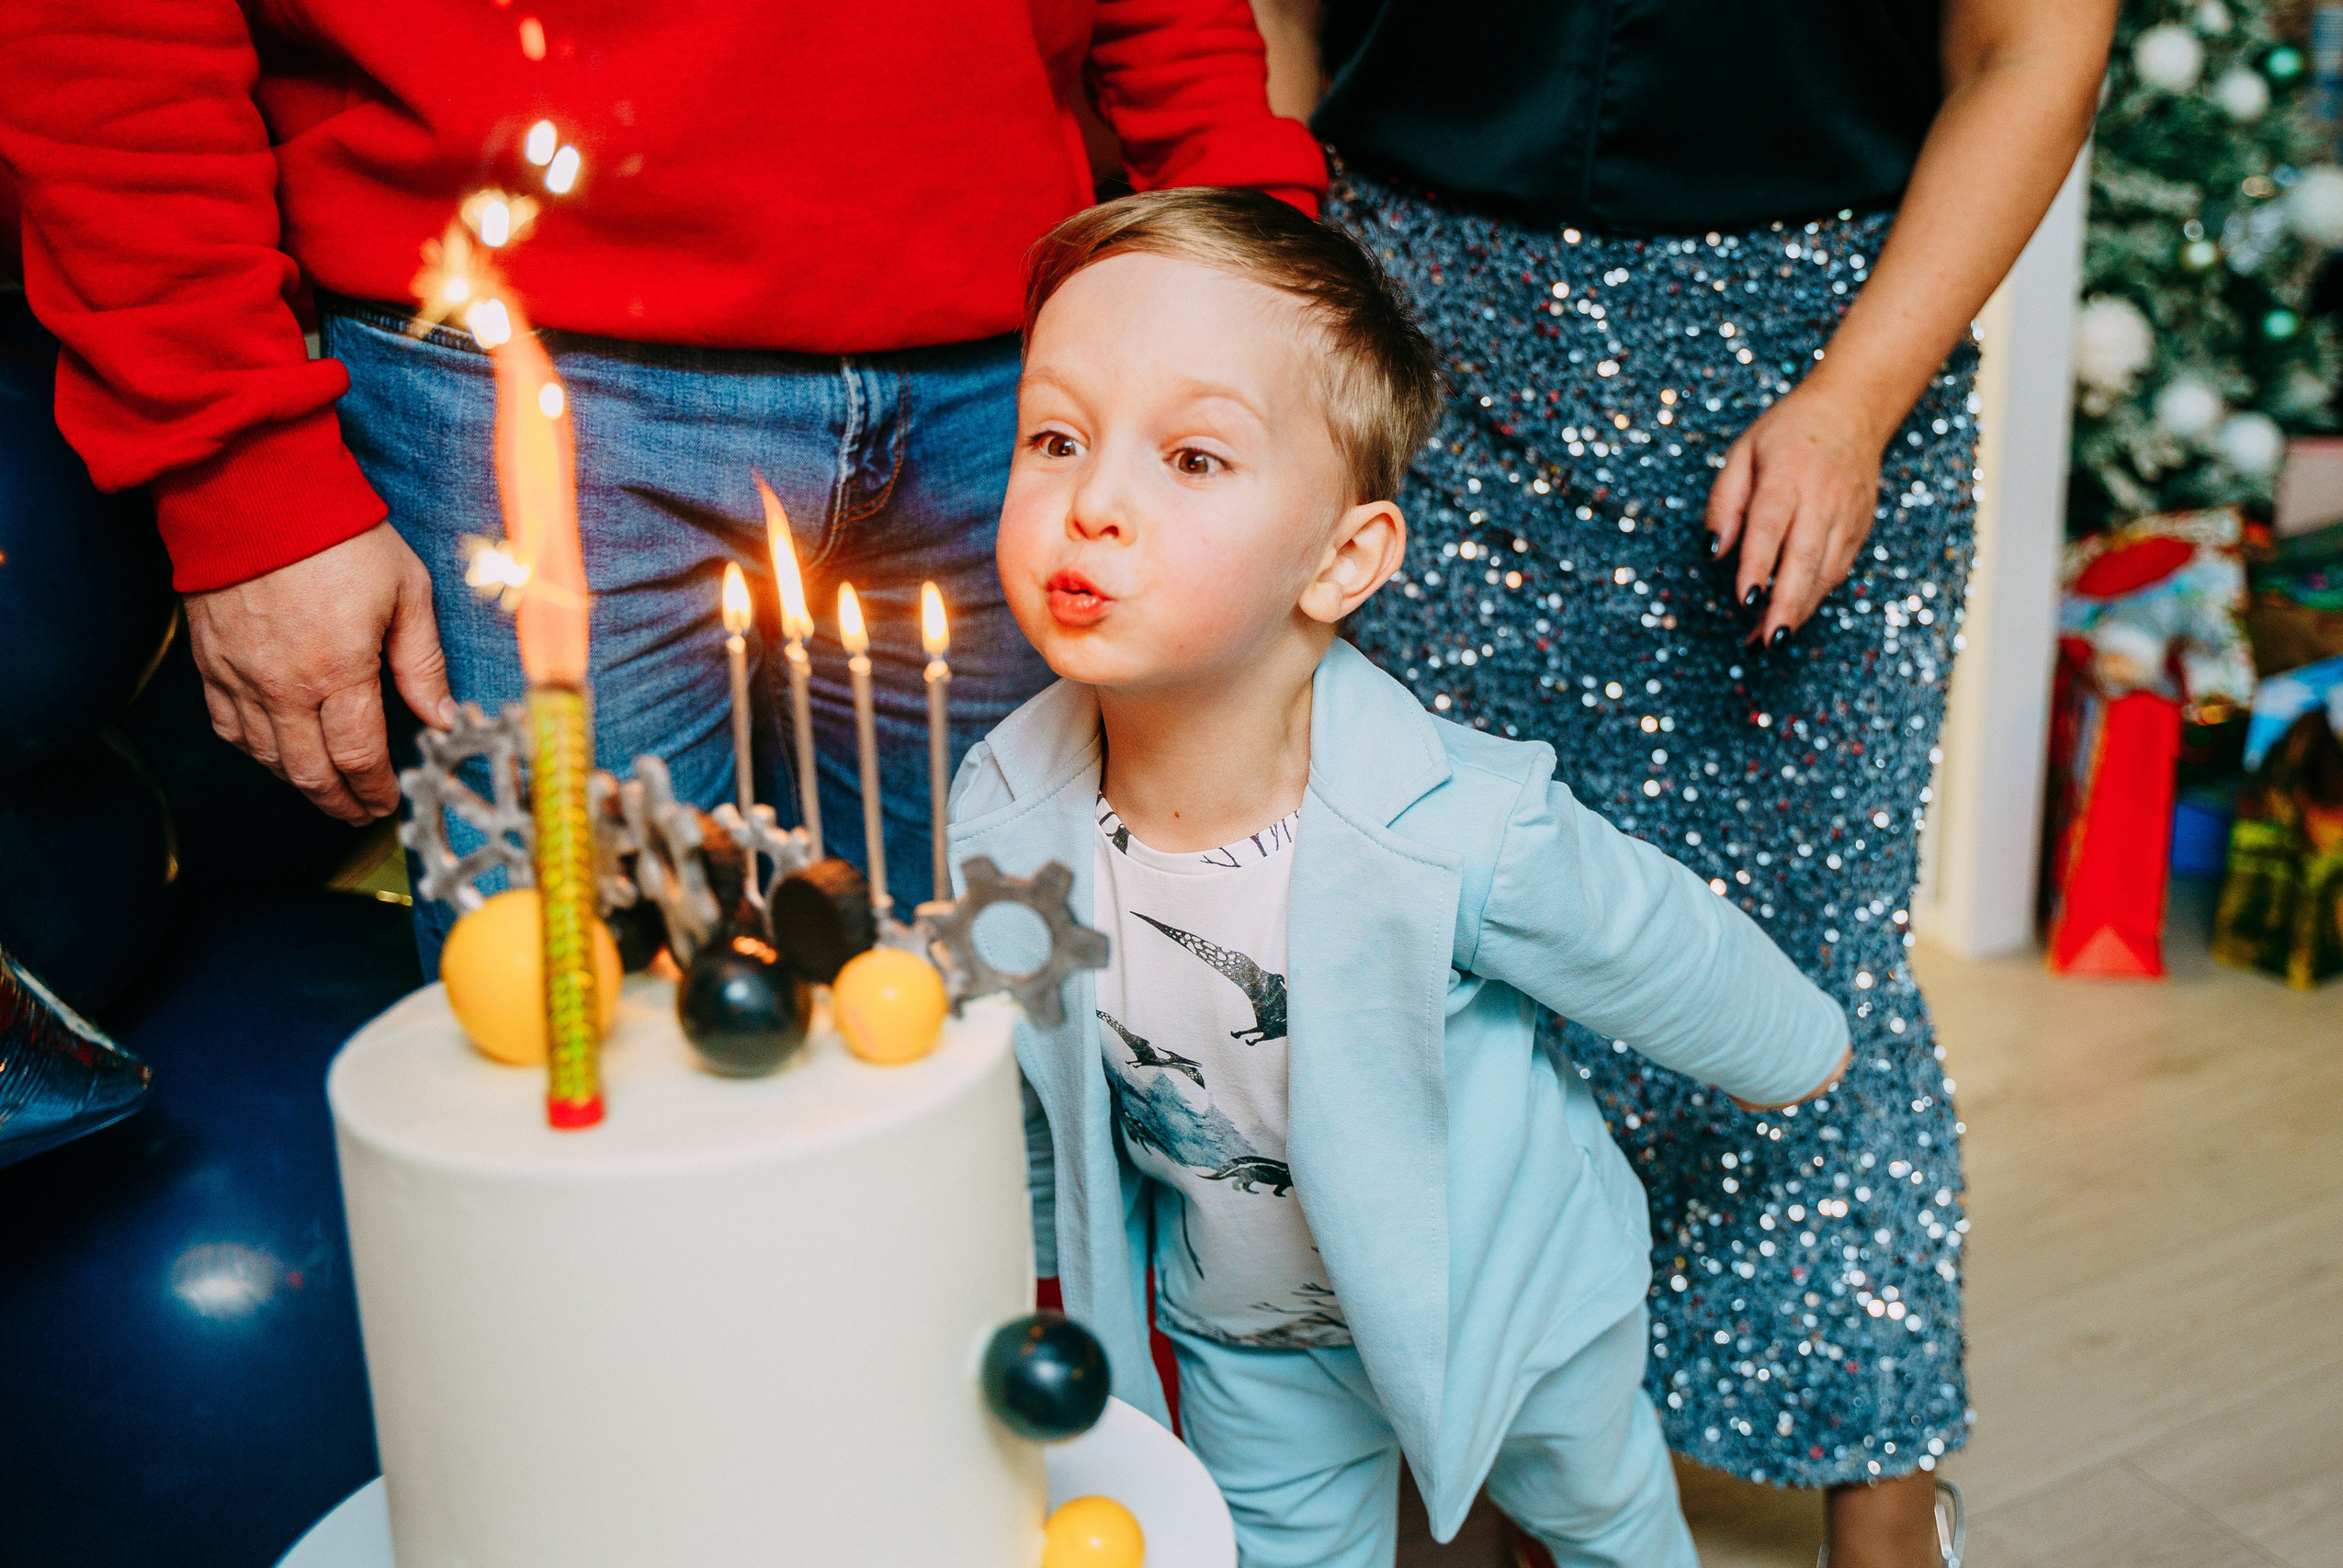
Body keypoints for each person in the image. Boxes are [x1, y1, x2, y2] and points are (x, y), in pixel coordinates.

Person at [1250, 0, 2113, 1561]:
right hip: (1421, 338)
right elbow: (1277, 21)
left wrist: (1857, 401)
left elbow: (2034, 49)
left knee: (1815, 949)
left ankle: (1885, 1495)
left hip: (1818, 341)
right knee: (1444, 945)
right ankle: (1487, 1449)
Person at [0, 0, 1322, 964]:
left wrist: (1257, 264)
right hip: (516, 384)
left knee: (1009, 1037)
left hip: (1011, 368)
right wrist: (237, 469)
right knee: (590, 1066)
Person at [951, 187, 1851, 1568]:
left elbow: (1643, 931)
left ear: (1343, 559)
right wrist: (1022, 1244)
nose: (1095, 504)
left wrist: (1793, 1050)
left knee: (1601, 1515)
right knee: (1281, 1551)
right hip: (1248, 1327)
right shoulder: (1005, 811)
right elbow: (1031, 1071)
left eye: (1192, 458)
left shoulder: (1455, 825)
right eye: (1057, 439)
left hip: (1511, 1303)